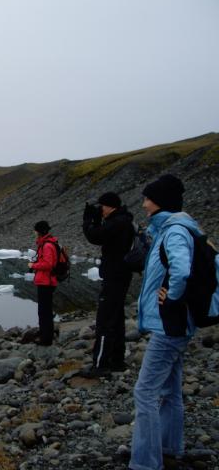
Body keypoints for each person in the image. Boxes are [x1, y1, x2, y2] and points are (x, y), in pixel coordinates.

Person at [129, 175, 199, 470]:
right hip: (175, 325)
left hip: (169, 326)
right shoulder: (171, 229)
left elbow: (181, 271)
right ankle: (170, 447)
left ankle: (145, 463)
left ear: (159, 201)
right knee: (170, 390)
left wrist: (171, 299)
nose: (143, 203)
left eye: (147, 198)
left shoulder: (174, 231)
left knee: (144, 392)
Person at [82, 192, 135, 376]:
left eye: (102, 206)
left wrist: (89, 220)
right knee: (116, 318)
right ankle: (117, 360)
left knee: (104, 320)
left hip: (114, 276)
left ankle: (101, 364)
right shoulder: (124, 220)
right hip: (121, 275)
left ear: (110, 206)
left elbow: (95, 236)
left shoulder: (117, 222)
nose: (101, 210)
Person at [28, 220, 58, 346]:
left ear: (39, 231)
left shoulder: (47, 246)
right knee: (45, 310)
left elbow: (48, 264)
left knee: (44, 311)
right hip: (46, 281)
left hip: (46, 282)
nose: (34, 233)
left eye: (35, 230)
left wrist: (33, 265)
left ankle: (46, 339)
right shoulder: (47, 243)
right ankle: (45, 334)